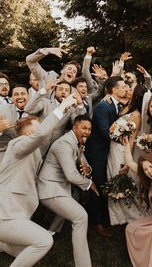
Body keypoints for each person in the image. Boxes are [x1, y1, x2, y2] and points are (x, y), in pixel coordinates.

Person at [0, 94, 77, 267]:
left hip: (16, 214)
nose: (42, 129)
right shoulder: (18, 144)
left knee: (24, 253)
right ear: (28, 133)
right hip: (5, 215)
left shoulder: (29, 152)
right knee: (44, 241)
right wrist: (62, 107)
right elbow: (42, 134)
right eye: (38, 127)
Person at [38, 114, 99, 267]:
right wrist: (89, 183)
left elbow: (84, 161)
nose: (87, 132)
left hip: (60, 188)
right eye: (84, 128)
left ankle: (49, 235)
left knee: (73, 200)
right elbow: (71, 175)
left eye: (89, 129)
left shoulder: (76, 141)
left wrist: (88, 168)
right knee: (81, 216)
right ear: (74, 127)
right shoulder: (65, 144)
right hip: (49, 188)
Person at [85, 76, 126, 237]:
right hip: (97, 153)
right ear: (115, 90)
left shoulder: (114, 105)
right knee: (98, 185)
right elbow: (104, 131)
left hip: (105, 151)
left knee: (102, 184)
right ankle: (96, 222)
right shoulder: (103, 107)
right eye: (123, 86)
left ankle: (100, 216)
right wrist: (124, 136)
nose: (125, 88)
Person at [107, 84, 147, 225]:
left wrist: (126, 161)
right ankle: (118, 216)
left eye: (130, 89)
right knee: (112, 176)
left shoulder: (136, 115)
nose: (127, 89)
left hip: (121, 149)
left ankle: (133, 217)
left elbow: (132, 139)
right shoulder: (127, 106)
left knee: (120, 178)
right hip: (113, 147)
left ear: (135, 95)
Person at [24, 81, 85, 157]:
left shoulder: (71, 109)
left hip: (54, 151)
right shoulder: (45, 102)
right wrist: (44, 90)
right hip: (37, 147)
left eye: (66, 90)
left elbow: (77, 124)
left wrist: (80, 105)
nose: (63, 92)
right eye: (60, 89)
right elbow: (28, 109)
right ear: (55, 91)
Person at [0, 85, 29, 160]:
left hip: (28, 155)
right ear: (12, 98)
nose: (20, 96)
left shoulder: (37, 111)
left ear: (29, 96)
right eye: (16, 94)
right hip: (4, 154)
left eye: (23, 93)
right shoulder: (2, 110)